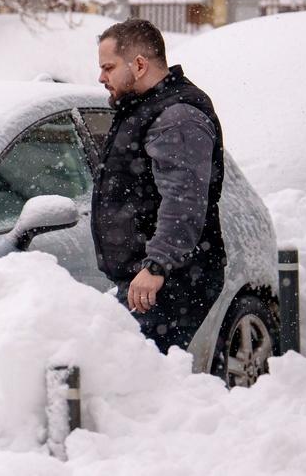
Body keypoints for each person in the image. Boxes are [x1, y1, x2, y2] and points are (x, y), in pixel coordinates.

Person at [92, 18, 226, 354]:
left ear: (139, 65)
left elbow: (183, 200)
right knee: (134, 375)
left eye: (108, 67)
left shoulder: (176, 116)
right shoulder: (144, 108)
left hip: (170, 280)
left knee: (136, 376)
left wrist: (158, 264)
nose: (101, 78)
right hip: (151, 279)